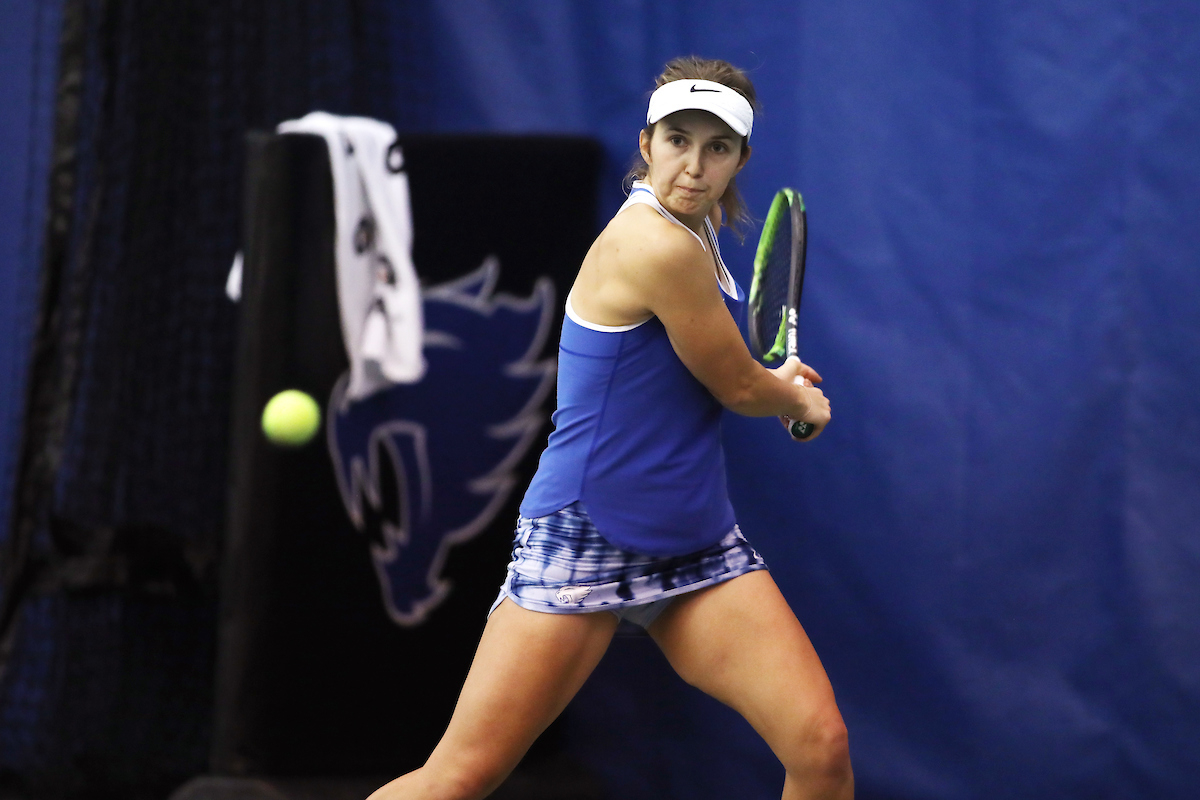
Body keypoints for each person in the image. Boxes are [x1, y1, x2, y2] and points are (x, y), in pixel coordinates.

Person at [367, 56, 853, 800]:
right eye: (677, 140)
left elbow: (722, 376)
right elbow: (736, 384)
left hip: (695, 544)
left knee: (819, 746)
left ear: (740, 160)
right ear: (647, 141)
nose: (692, 165)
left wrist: (775, 387)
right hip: (585, 537)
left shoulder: (700, 231)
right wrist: (796, 401)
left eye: (716, 148)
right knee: (459, 778)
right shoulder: (652, 244)